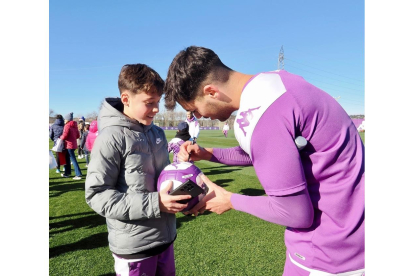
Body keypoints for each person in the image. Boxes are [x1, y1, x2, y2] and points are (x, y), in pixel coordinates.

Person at [163, 46, 365, 275]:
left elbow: (296, 213)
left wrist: (229, 200)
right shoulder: (276, 82)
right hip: (358, 236)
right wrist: (208, 153)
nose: (198, 117)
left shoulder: (262, 115)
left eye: (194, 109)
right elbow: (270, 152)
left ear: (211, 92)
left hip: (328, 252)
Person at [85, 63, 192, 276]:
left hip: (166, 239)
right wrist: (156, 203)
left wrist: (180, 167)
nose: (156, 109)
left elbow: (161, 179)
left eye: (158, 102)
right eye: (149, 102)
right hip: (135, 249)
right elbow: (97, 195)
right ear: (126, 99)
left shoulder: (158, 133)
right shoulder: (111, 138)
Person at [60, 112, 83, 180]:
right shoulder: (75, 126)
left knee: (73, 159)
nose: (64, 120)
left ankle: (78, 174)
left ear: (67, 119)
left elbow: (65, 135)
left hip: (68, 145)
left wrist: (61, 138)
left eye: (65, 119)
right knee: (68, 159)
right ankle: (67, 173)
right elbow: (78, 135)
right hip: (73, 144)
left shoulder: (67, 126)